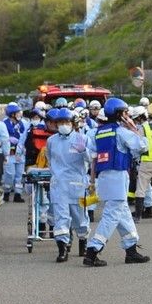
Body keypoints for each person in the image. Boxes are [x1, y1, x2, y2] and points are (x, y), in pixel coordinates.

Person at [83, 97, 151, 267]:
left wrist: (92, 181)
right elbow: (143, 146)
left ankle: (131, 249)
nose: (127, 115)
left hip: (104, 177)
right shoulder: (121, 132)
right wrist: (134, 128)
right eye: (125, 112)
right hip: (118, 177)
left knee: (123, 214)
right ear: (120, 114)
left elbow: (92, 157)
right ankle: (92, 251)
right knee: (111, 216)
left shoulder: (99, 132)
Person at [45, 107, 93, 263]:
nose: (63, 125)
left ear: (72, 123)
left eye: (66, 122)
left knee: (80, 218)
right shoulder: (51, 141)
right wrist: (57, 176)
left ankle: (83, 242)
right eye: (60, 122)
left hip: (77, 185)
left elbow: (91, 159)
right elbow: (50, 160)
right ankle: (62, 249)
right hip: (59, 185)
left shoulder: (82, 138)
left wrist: (84, 150)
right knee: (61, 218)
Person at [1, 102, 29, 203]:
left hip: (20, 153)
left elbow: (26, 136)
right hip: (10, 154)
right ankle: (7, 192)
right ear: (12, 114)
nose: (19, 114)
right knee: (10, 175)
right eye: (17, 113)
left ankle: (18, 194)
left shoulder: (23, 124)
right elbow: (2, 138)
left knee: (19, 175)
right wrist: (9, 139)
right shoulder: (4, 124)